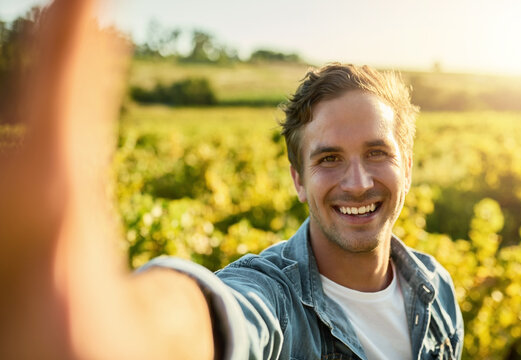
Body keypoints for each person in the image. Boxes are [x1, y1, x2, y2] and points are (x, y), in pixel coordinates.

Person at [0, 0, 463, 359]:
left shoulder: (435, 289)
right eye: (329, 159)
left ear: (408, 164)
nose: (358, 182)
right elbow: (222, 316)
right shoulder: (273, 299)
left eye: (378, 152)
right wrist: (124, 331)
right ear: (297, 181)